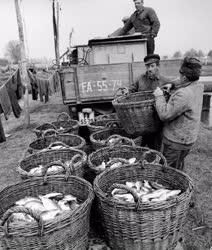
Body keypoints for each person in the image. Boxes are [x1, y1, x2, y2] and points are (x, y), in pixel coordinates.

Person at [153, 57, 204, 170]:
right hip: (188, 139)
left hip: (176, 141)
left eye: (181, 76)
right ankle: (179, 181)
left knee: (167, 170)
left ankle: (169, 185)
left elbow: (164, 115)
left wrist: (159, 96)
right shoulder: (199, 86)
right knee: (178, 164)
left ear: (185, 77)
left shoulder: (184, 94)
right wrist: (172, 84)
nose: (179, 77)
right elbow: (183, 82)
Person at [129, 54, 175, 150]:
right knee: (139, 147)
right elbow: (131, 91)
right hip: (141, 122)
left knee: (156, 147)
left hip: (157, 122)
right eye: (147, 66)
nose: (149, 69)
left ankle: (155, 159)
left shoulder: (164, 81)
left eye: (152, 66)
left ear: (158, 66)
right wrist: (127, 93)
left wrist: (171, 85)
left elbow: (175, 90)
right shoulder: (140, 79)